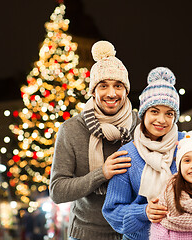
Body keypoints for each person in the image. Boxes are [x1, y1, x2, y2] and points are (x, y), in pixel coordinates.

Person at [102, 67, 192, 240]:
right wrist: (144, 212)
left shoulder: (188, 144)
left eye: (169, 113)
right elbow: (112, 211)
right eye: (154, 111)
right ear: (144, 113)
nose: (161, 120)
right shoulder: (127, 155)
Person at [49, 40, 138, 240]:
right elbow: (57, 190)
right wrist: (101, 173)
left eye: (118, 86)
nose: (111, 93)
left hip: (134, 232)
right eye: (103, 86)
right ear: (93, 90)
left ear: (126, 90)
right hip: (87, 234)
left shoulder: (139, 125)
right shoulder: (71, 129)